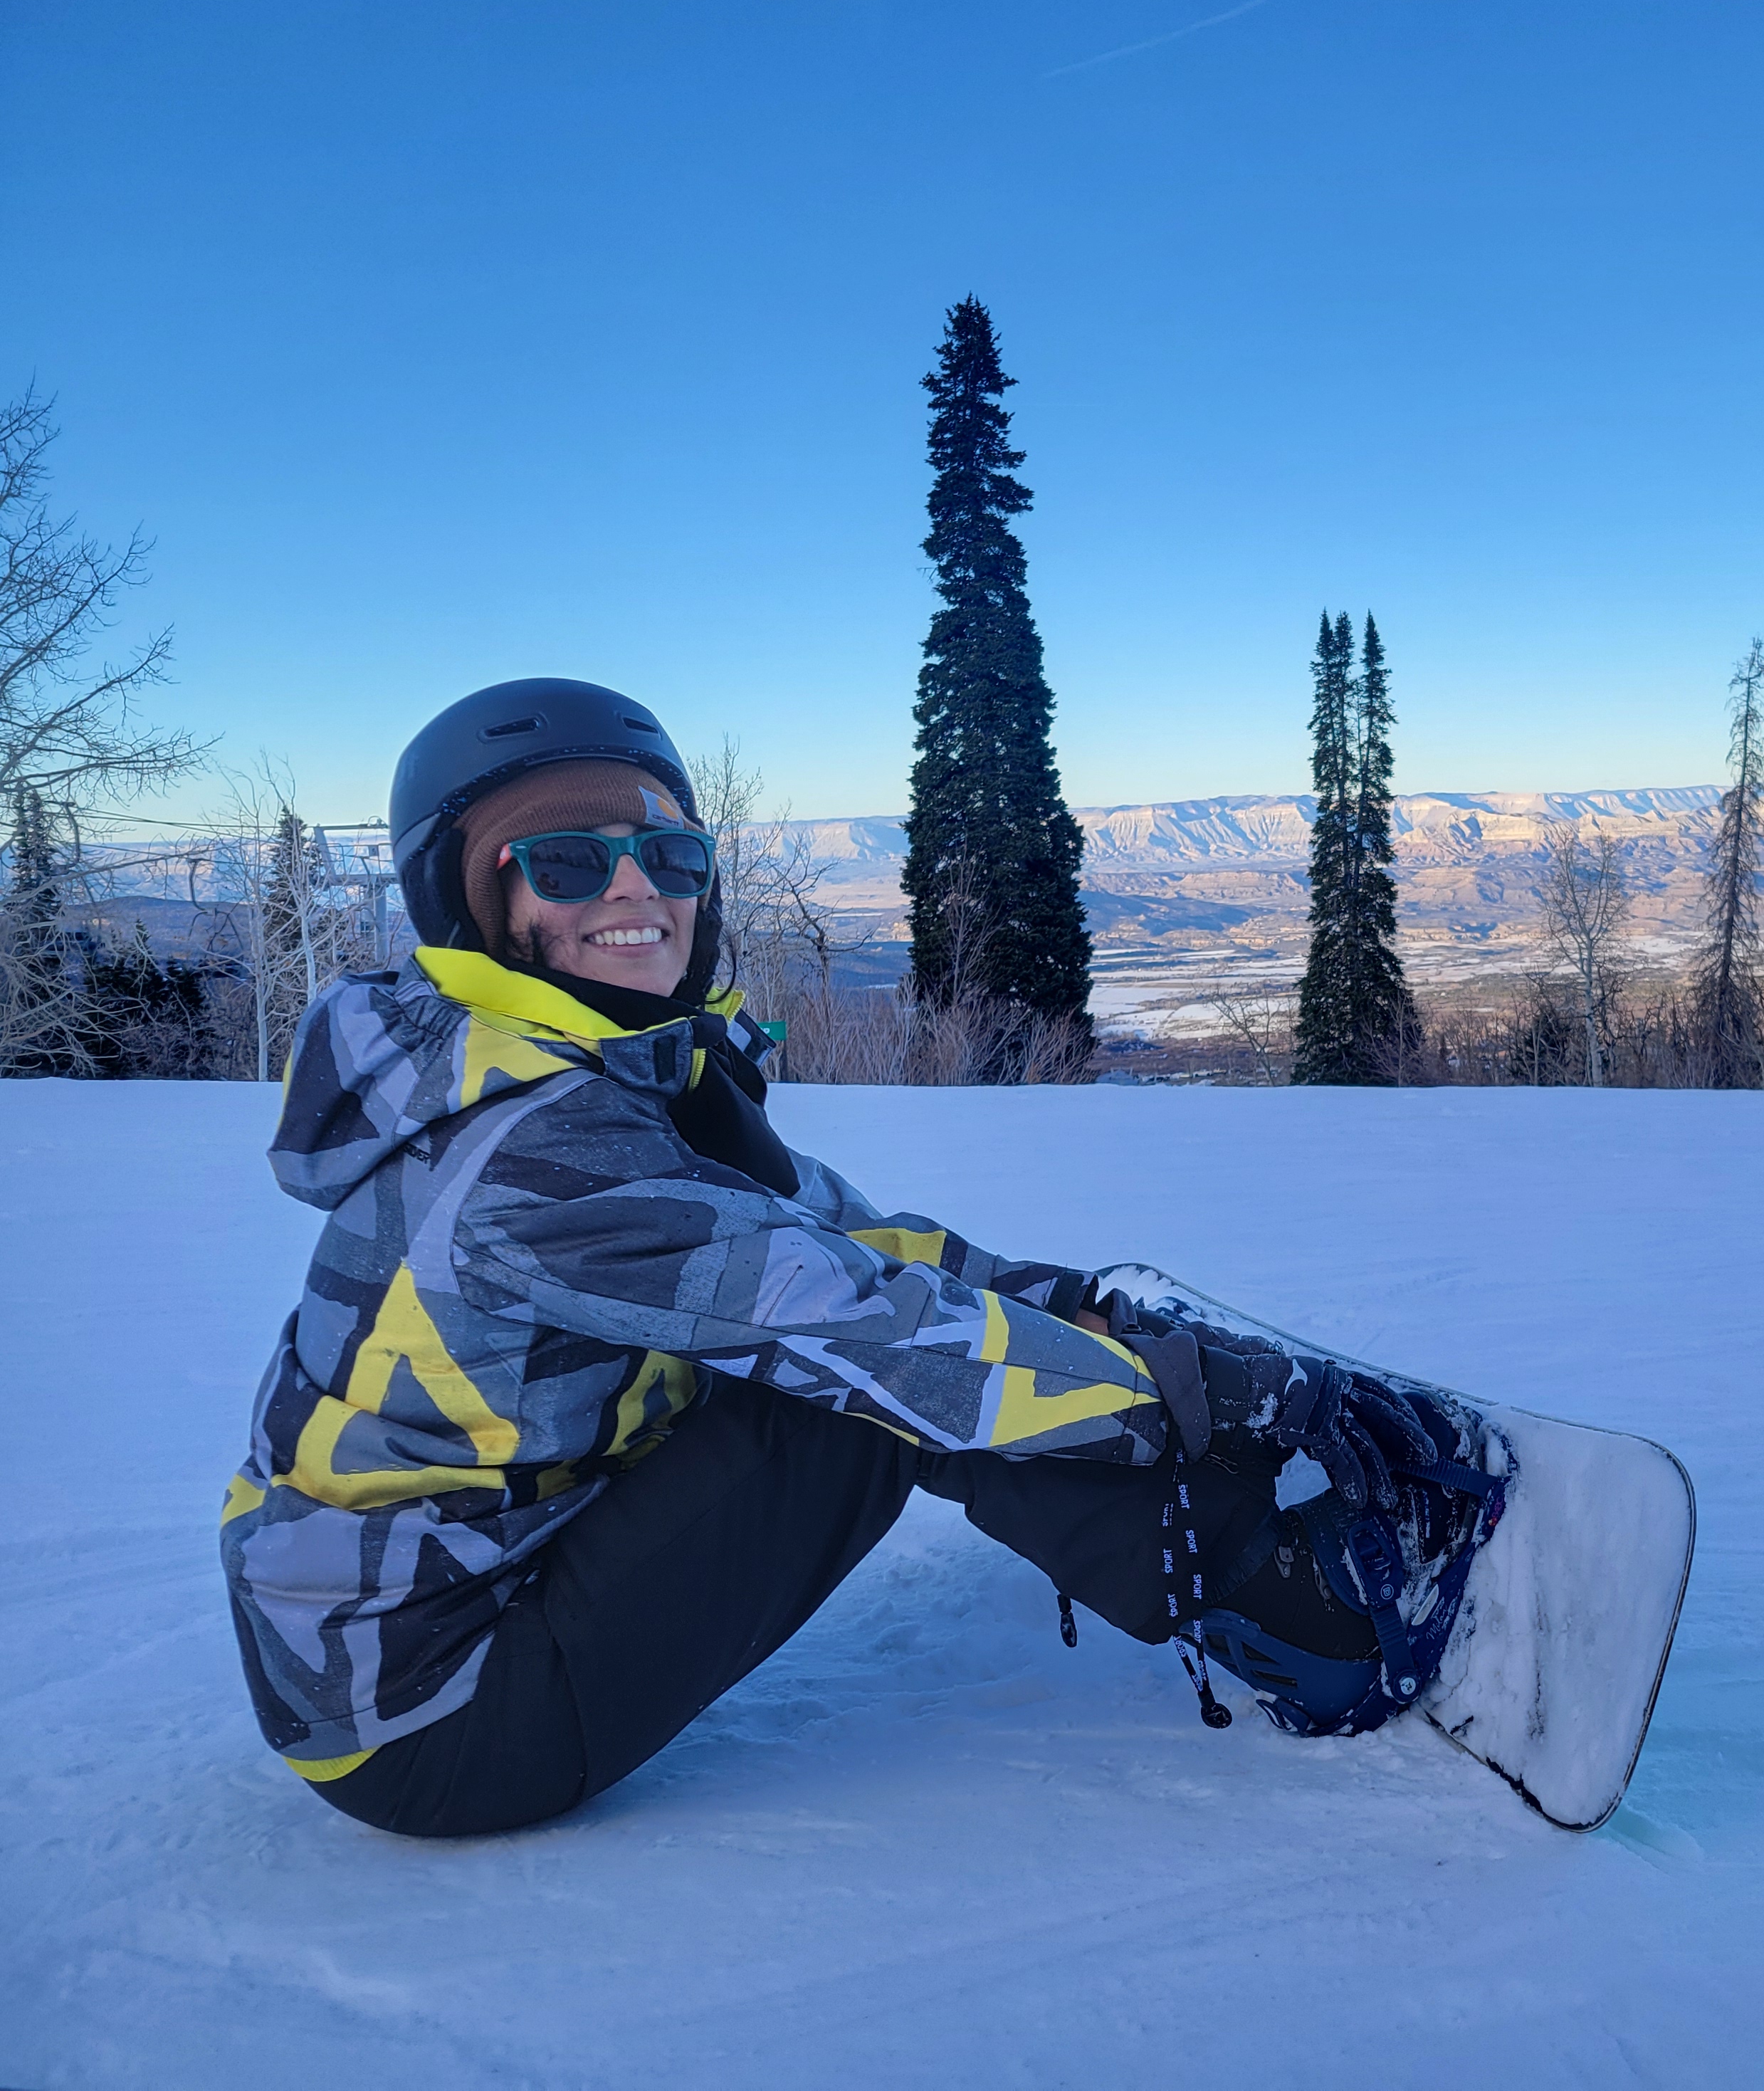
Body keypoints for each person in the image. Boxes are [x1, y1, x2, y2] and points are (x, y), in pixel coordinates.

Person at [221, 678, 1497, 1838]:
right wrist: (1190, 1398)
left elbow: (849, 1245)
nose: (634, 890)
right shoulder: (536, 1153)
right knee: (865, 1399)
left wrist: (1075, 1307)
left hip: (424, 1609)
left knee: (878, 1350)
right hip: (432, 1711)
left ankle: (1242, 1544)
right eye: (565, 860)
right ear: (473, 901)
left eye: (668, 852)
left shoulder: (593, 1075)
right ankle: (1308, 1623)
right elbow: (875, 1338)